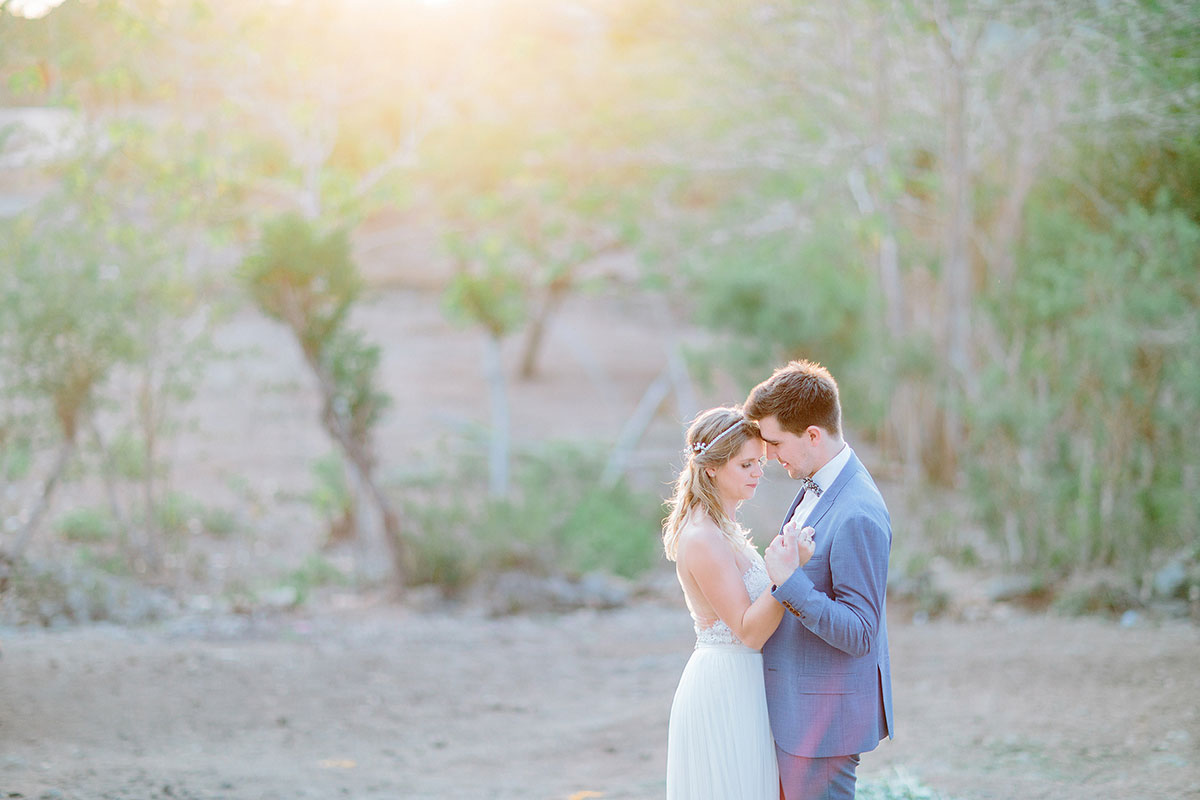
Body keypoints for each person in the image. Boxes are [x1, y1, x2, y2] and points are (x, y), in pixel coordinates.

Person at [745, 360, 895, 800]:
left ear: (812, 435)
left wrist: (789, 584)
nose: (769, 456)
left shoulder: (858, 512)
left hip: (823, 722)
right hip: (796, 711)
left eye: (776, 443)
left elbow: (861, 633)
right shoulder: (818, 483)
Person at [662, 406, 813, 800]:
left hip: (747, 683)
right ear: (711, 467)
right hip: (724, 687)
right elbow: (748, 632)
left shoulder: (723, 528)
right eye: (746, 464)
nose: (759, 473)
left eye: (760, 463)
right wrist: (787, 575)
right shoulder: (702, 537)